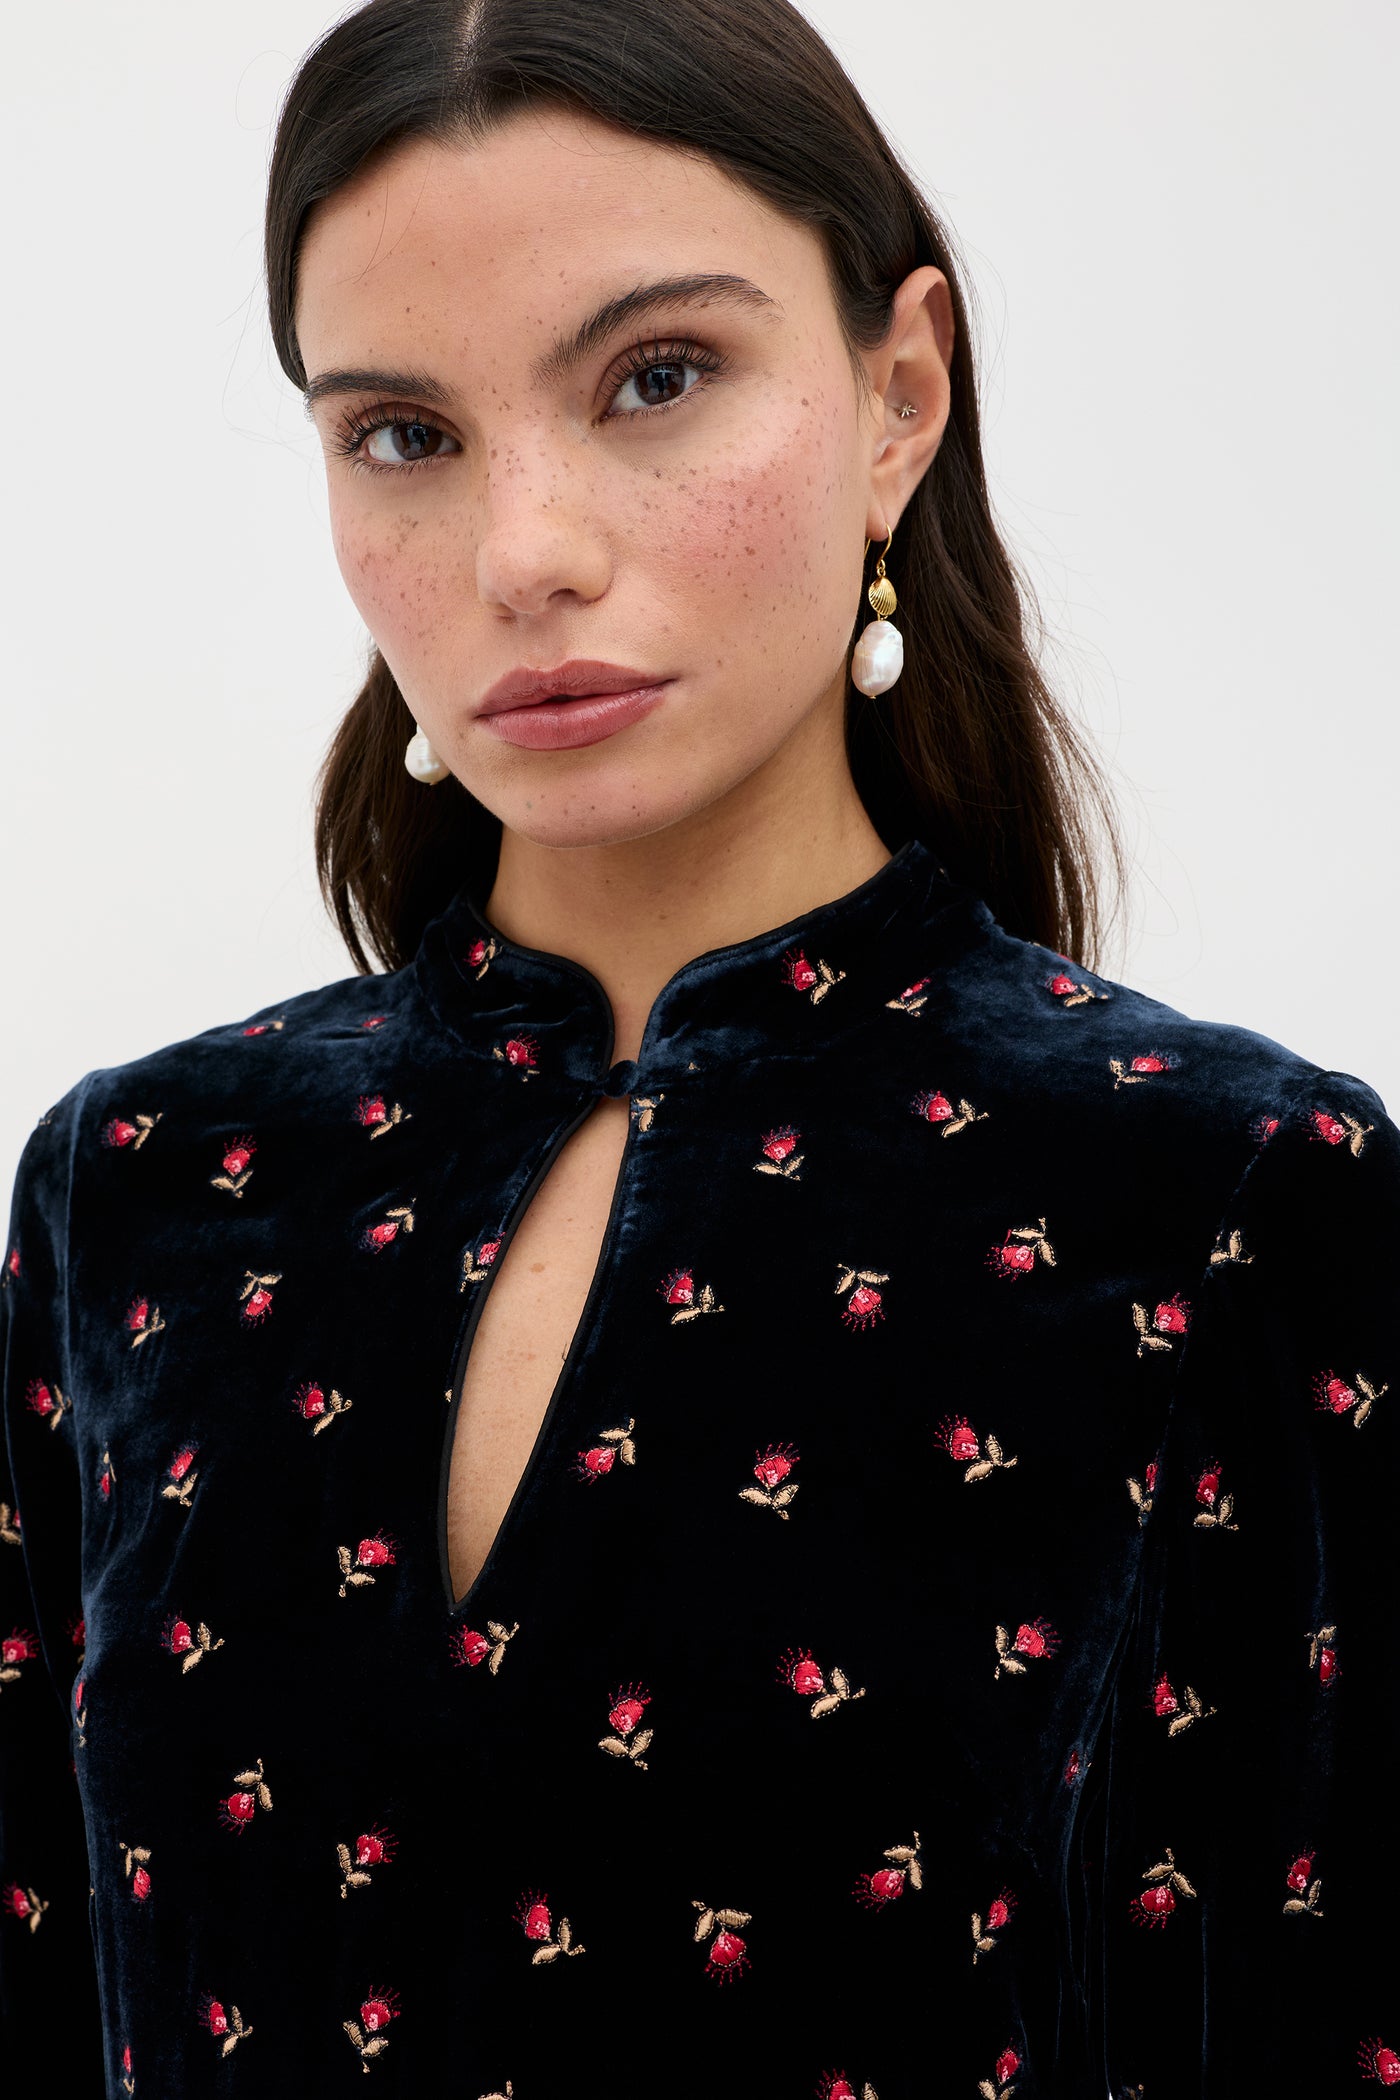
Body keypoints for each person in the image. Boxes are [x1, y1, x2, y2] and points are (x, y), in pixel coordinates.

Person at [2, 1, 1395, 2092]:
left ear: (897, 395)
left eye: (657, 379)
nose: (522, 553)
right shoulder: (142, 1187)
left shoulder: (1221, 1194)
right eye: (403, 433)